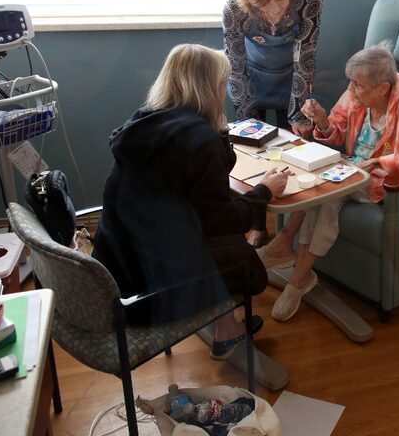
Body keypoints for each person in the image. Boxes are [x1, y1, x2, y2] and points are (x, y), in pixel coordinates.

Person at [93, 43, 291, 360]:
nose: (225, 91)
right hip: (150, 293)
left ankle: (223, 326)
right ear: (211, 88)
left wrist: (217, 129)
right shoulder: (201, 141)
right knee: (239, 255)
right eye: (222, 84)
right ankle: (228, 334)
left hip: (116, 269)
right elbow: (222, 222)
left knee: (206, 230)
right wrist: (264, 190)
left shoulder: (145, 121)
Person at [257, 43, 399, 321]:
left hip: (376, 179)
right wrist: (321, 120)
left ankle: (298, 279)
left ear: (383, 88)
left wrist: (379, 162)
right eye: (351, 83)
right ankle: (286, 249)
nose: (352, 91)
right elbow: (335, 131)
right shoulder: (358, 89)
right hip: (349, 165)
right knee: (313, 181)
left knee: (327, 199)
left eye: (358, 86)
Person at [222, 0, 323, 137]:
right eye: (263, 4)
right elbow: (236, 67)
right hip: (251, 78)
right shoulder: (233, 7)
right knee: (254, 142)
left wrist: (299, 115)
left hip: (293, 76)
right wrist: (248, 126)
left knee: (292, 144)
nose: (274, 10)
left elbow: (305, 57)